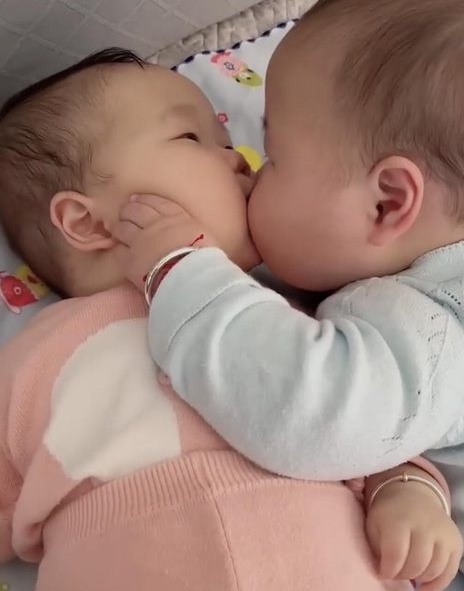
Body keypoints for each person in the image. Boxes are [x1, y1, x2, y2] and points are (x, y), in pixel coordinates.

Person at [0, 50, 458, 590]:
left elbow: (367, 422)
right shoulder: (35, 357)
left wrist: (406, 490)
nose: (240, 158)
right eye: (191, 138)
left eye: (225, 140)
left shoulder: (288, 311)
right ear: (87, 221)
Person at [112, 0, 464, 585]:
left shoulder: (436, 319)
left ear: (387, 203)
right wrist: (406, 483)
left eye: (273, 155)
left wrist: (181, 271)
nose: (247, 165)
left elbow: (313, 416)